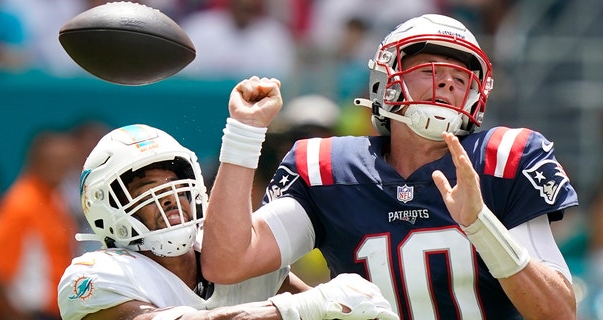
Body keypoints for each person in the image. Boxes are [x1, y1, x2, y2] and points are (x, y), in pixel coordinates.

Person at [200, 14, 579, 319]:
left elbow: (559, 312)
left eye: (461, 75)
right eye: (431, 68)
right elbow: (228, 263)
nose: (447, 81)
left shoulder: (505, 158)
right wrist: (244, 134)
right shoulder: (328, 168)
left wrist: (482, 224)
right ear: (387, 81)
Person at [57, 124, 397, 320]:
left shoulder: (233, 256)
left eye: (175, 184)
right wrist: (290, 310)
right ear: (106, 205)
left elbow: (323, 312)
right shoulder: (95, 274)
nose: (168, 198)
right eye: (147, 187)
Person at [0, 130, 79, 319]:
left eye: (66, 159)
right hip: (33, 313)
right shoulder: (23, 202)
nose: (61, 165)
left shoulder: (55, 199)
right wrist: (14, 315)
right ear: (35, 159)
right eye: (53, 159)